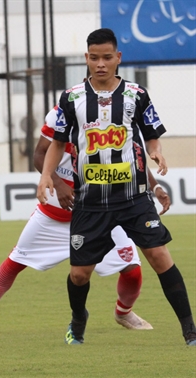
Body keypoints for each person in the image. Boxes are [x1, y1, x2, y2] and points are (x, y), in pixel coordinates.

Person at [36, 28, 196, 346]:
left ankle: (189, 329)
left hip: (134, 198)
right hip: (90, 202)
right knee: (80, 275)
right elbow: (56, 143)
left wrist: (156, 150)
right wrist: (46, 176)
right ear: (86, 58)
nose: (100, 64)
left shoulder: (137, 94)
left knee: (160, 257)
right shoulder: (71, 98)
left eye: (107, 57)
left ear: (117, 58)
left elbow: (150, 132)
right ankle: (79, 317)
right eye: (94, 58)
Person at [0, 105, 171, 336]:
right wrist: (59, 183)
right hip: (53, 215)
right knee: (16, 261)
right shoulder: (63, 112)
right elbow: (39, 154)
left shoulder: (117, 114)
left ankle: (124, 312)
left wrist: (156, 187)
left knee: (132, 268)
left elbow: (133, 159)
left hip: (102, 213)